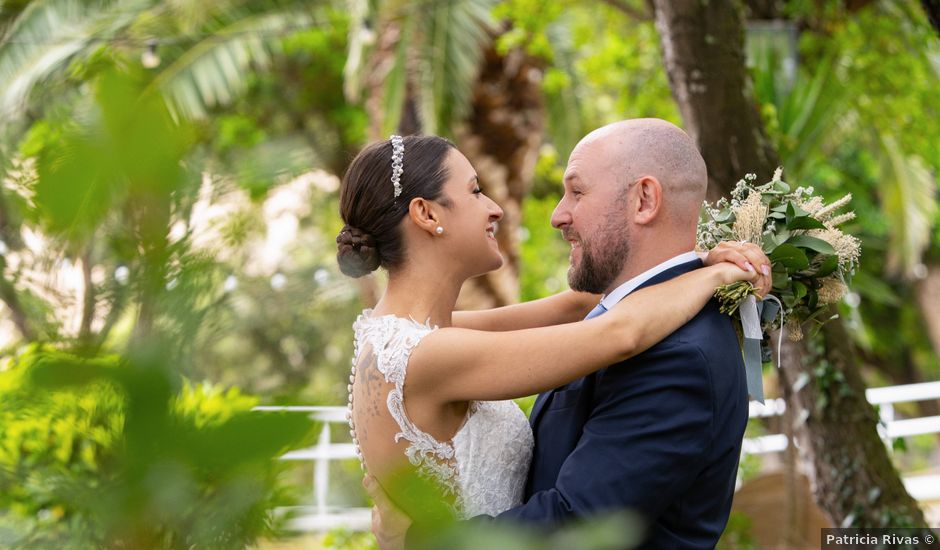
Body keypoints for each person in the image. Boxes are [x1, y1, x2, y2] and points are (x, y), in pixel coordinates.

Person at [341, 125, 770, 547]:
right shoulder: (427, 353)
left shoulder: (398, 333)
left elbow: (575, 305)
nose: (495, 208)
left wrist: (696, 259)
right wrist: (716, 273)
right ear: (427, 214)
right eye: (475, 191)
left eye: (577, 192)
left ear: (645, 199)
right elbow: (620, 331)